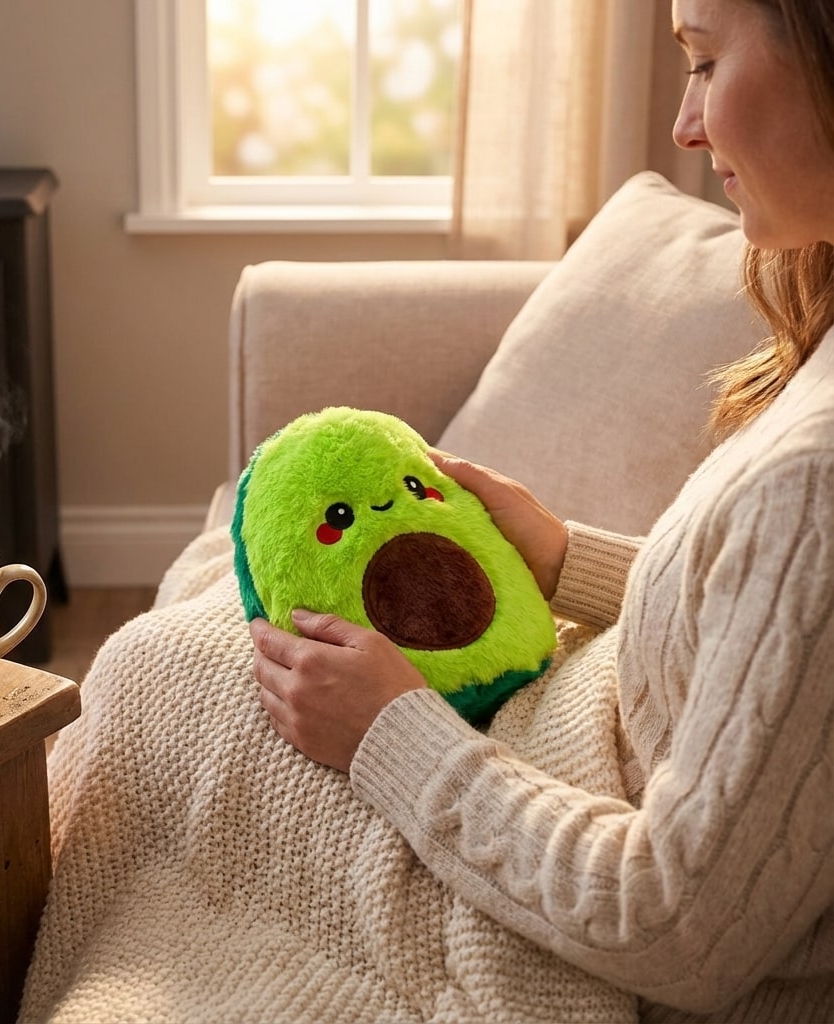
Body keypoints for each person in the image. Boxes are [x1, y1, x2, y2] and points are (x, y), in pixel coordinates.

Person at [250, 1, 834, 1020]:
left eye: (702, 62)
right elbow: (775, 643)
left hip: (583, 879)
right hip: (566, 744)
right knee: (169, 666)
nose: (683, 126)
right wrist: (566, 558)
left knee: (161, 700)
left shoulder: (815, 487)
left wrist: (391, 733)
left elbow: (676, 928)